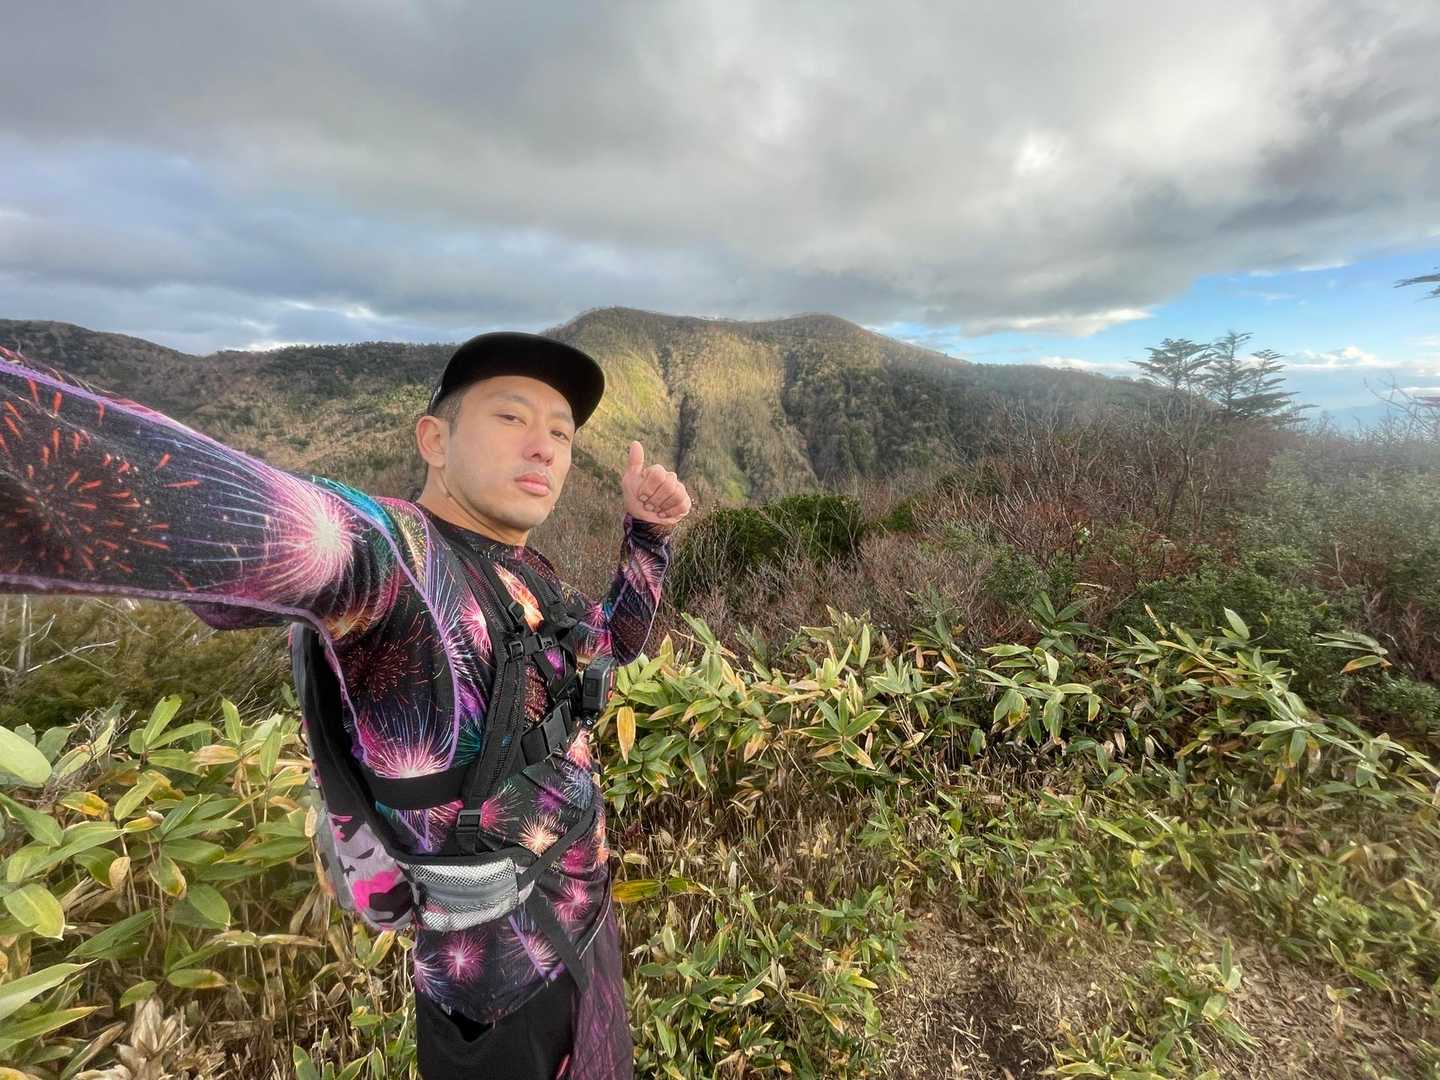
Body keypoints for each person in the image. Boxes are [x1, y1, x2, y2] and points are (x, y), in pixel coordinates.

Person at [0, 330, 692, 1079]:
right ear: (434, 439)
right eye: (510, 417)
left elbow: (611, 644)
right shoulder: (391, 560)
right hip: (502, 998)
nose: (544, 448)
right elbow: (262, 521)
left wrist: (647, 538)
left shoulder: (529, 573)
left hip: (585, 938)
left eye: (561, 434)